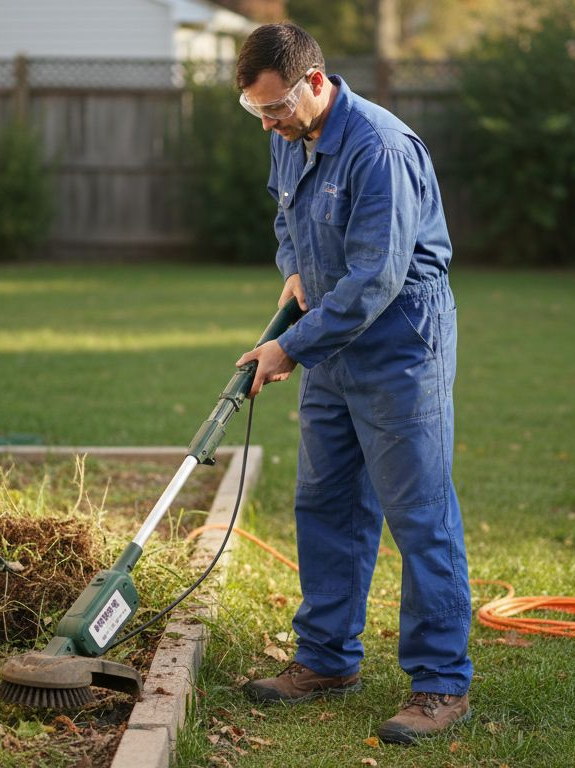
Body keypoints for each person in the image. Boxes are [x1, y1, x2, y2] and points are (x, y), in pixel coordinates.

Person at [232, 22, 473, 746]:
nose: (268, 124)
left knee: (418, 512)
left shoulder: (380, 149)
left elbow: (375, 280)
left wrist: (287, 348)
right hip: (331, 339)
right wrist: (293, 270)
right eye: (255, 111)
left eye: (275, 107)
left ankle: (440, 683)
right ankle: (327, 660)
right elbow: (287, 217)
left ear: (314, 81)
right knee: (327, 501)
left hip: (399, 341)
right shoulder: (288, 133)